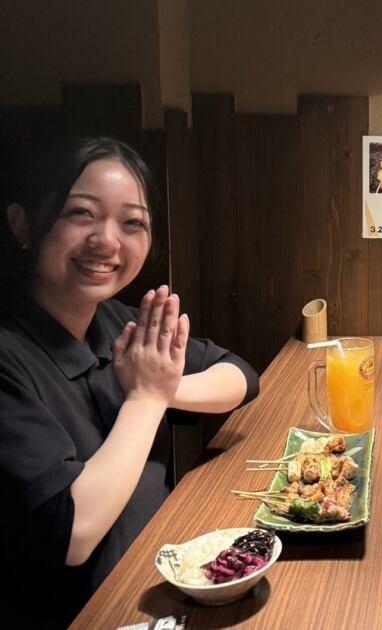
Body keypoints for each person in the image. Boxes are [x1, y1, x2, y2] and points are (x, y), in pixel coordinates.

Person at [0, 137, 260, 627]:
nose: (107, 241)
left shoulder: (116, 324)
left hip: (158, 591)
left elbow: (240, 376)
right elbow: (72, 532)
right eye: (80, 213)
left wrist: (164, 388)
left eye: (132, 222)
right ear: (24, 224)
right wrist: (146, 397)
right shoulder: (10, 355)